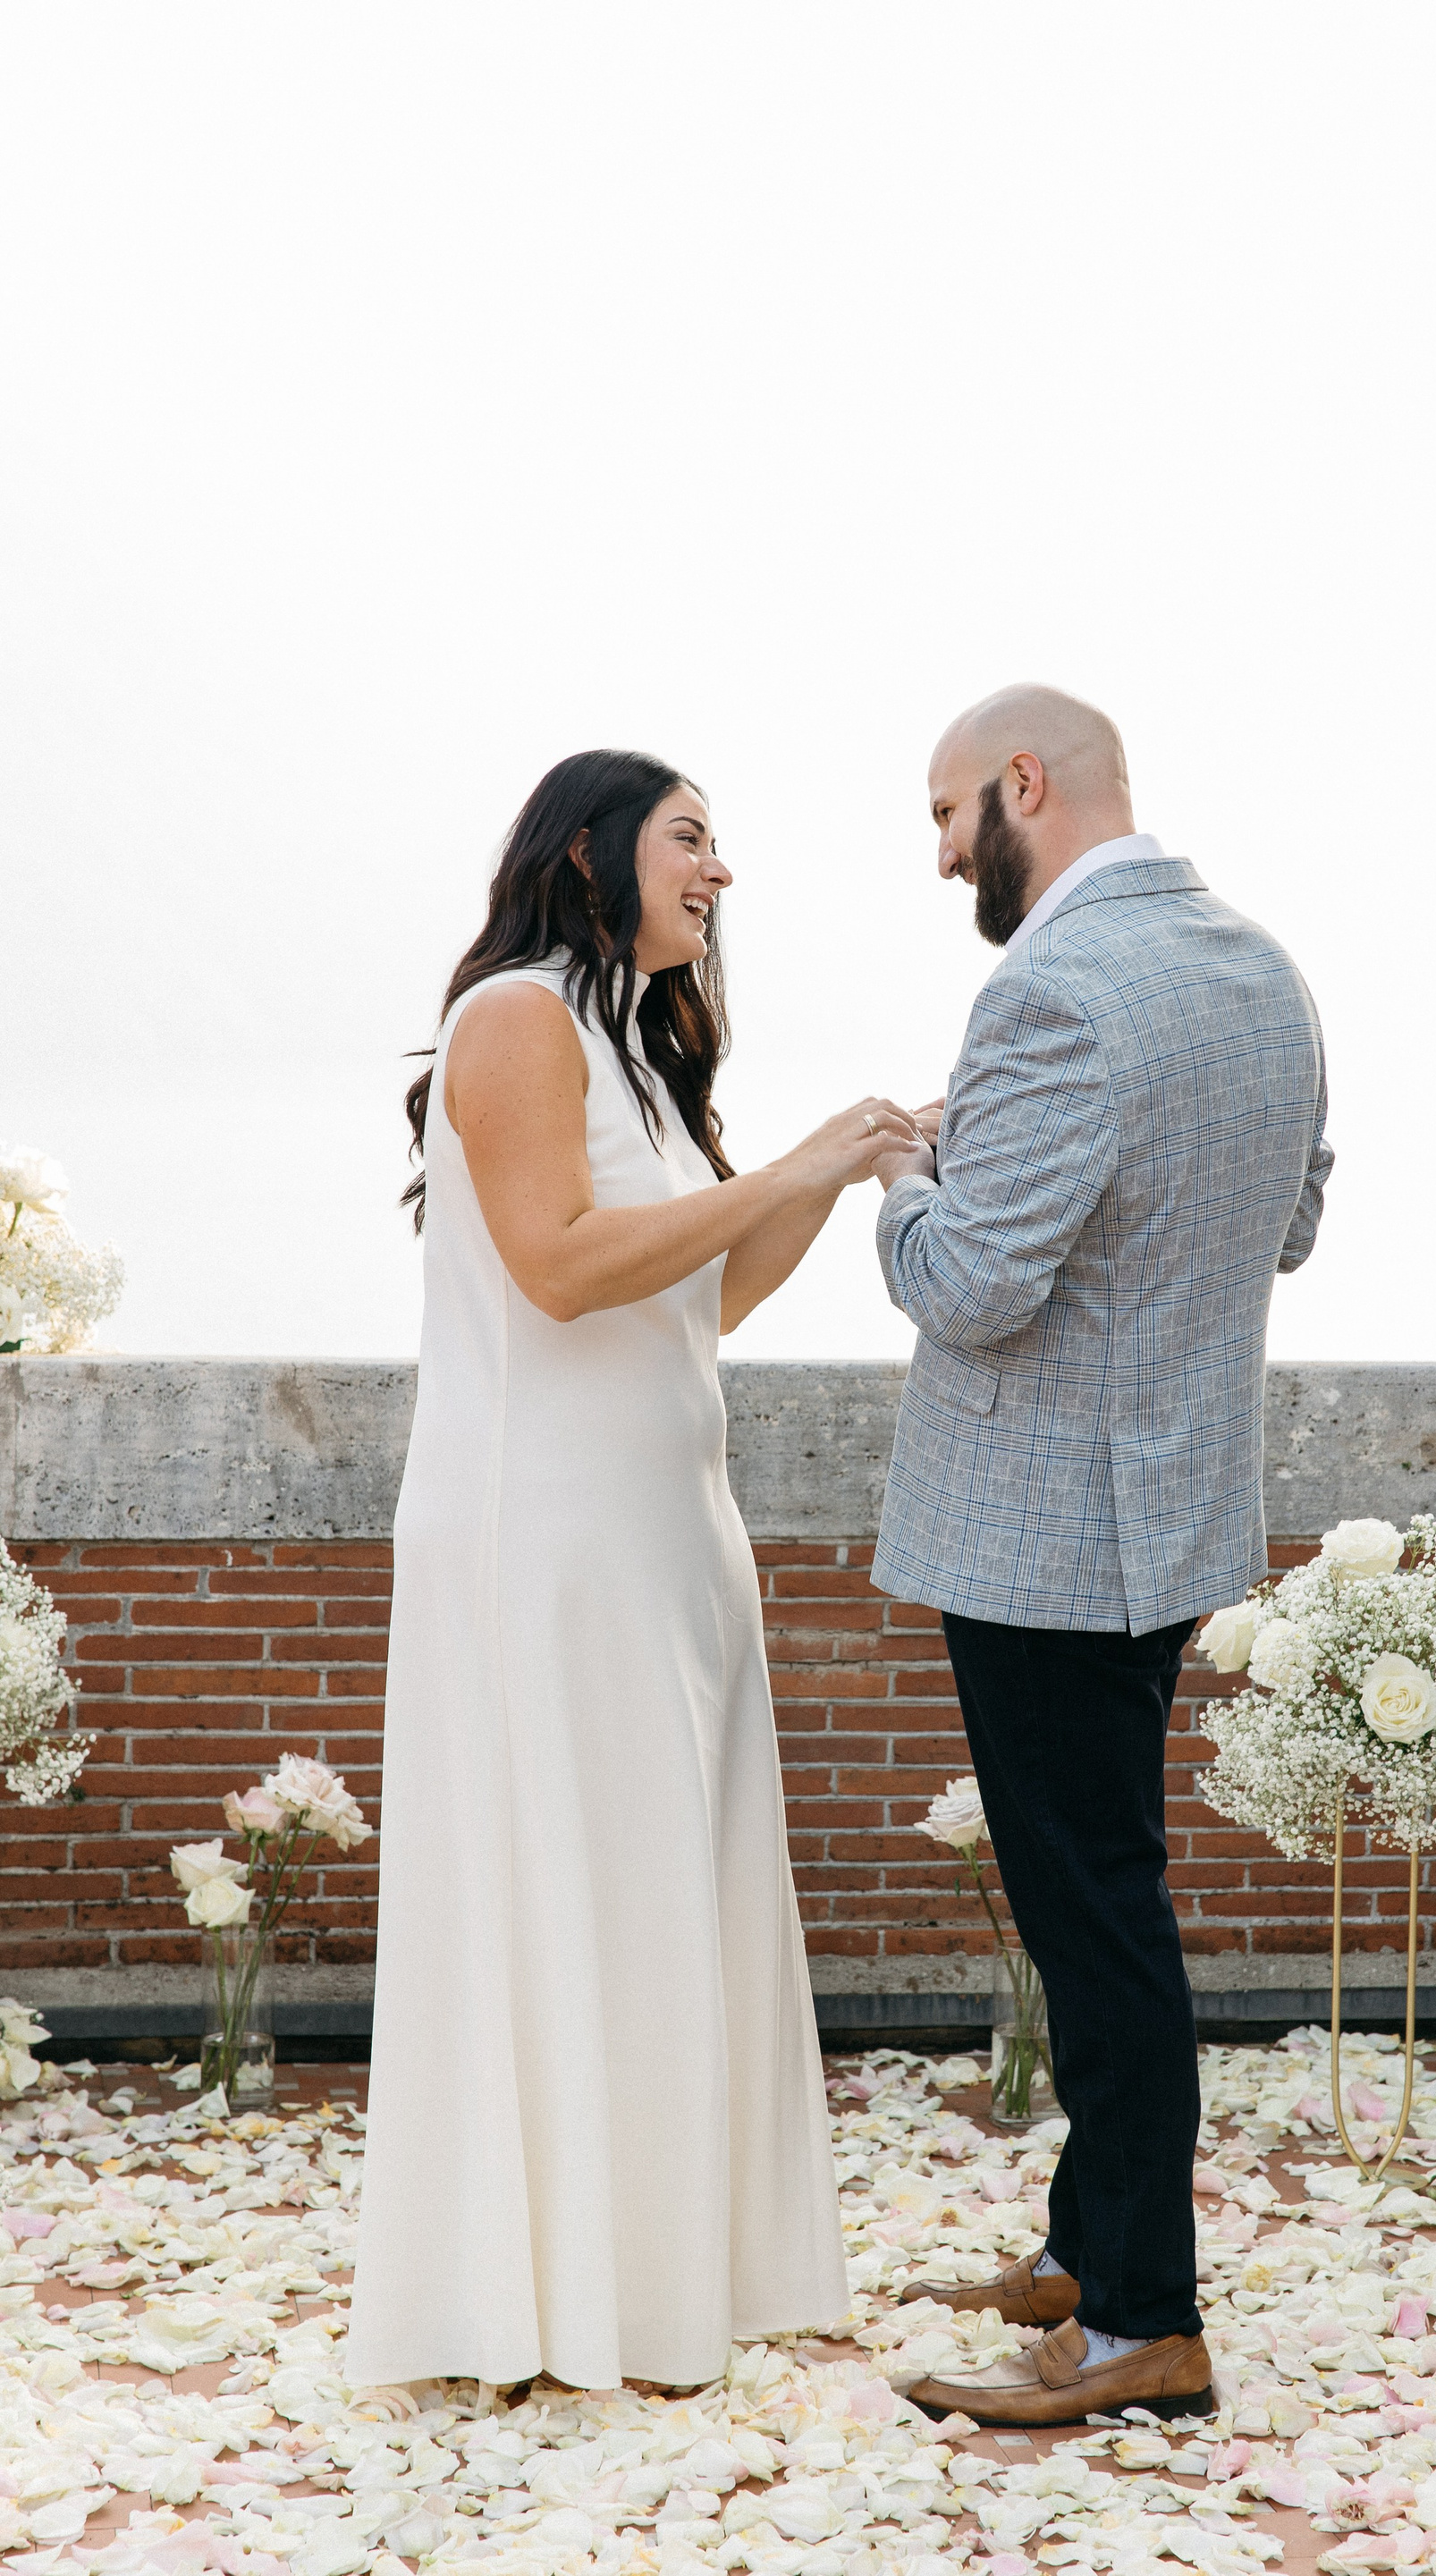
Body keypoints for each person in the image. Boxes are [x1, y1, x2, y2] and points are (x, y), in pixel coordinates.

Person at [346, 748, 923, 2393]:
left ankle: (662, 2283)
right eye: (690, 837)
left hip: (669, 1534)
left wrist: (834, 1173)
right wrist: (788, 1167)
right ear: (591, 854)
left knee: (665, 1889)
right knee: (566, 1883)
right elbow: (555, 1266)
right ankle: (534, 2300)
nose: (720, 871)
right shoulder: (516, 1014)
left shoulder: (635, 1049)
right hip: (547, 1539)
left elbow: (702, 1301)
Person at [867, 684, 1333, 2428]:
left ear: (1025, 783)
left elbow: (973, 1283)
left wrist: (908, 1179)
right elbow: (1289, 1222)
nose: (942, 857)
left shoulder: (1049, 988)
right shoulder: (1262, 968)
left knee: (1099, 1928)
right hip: (1170, 1518)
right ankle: (1088, 2246)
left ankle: (1143, 2316)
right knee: (1102, 1902)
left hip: (1045, 1543)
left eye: (946, 815)